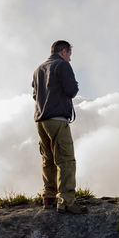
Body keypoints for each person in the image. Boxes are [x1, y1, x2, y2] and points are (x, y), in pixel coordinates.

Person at [32, 40, 87, 214]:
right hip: (57, 119)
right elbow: (71, 90)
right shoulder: (62, 65)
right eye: (69, 54)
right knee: (65, 159)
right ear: (63, 51)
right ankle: (66, 202)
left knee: (47, 159)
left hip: (41, 121)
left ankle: (48, 197)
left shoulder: (38, 69)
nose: (70, 59)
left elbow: (35, 95)